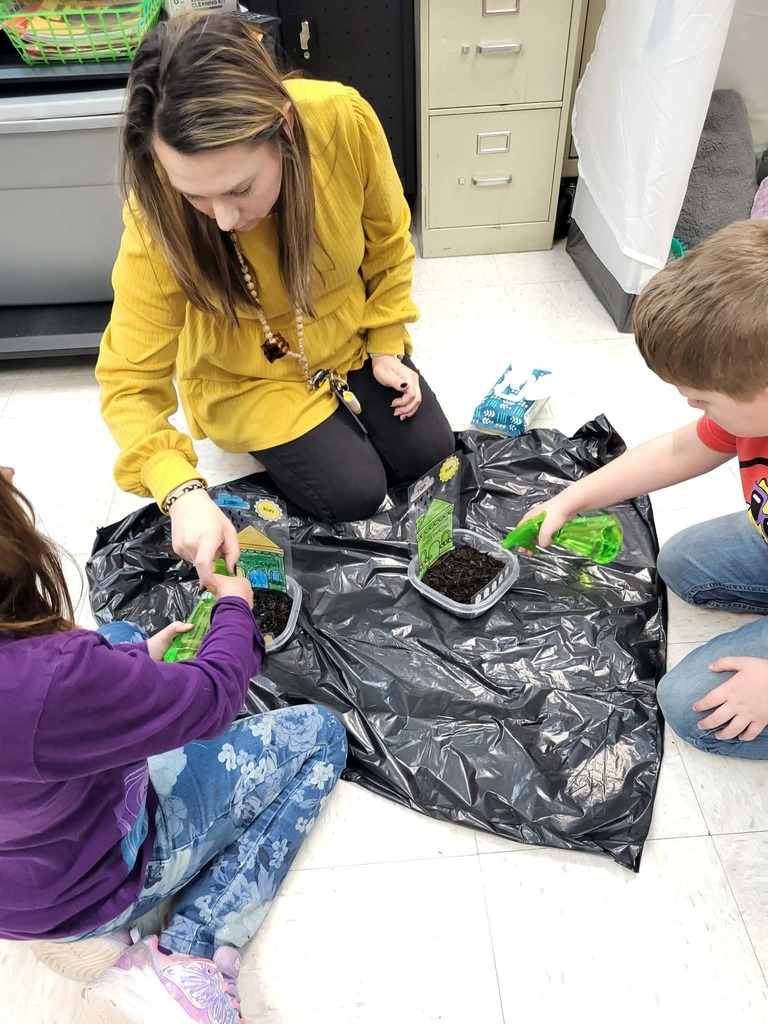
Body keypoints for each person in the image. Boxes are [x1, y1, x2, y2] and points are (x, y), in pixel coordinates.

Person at [97, 12, 454, 587]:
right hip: (250, 377)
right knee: (354, 491)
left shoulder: (340, 119)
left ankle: (345, 403)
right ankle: (303, 432)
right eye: (195, 195)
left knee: (428, 453)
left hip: (345, 341)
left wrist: (386, 342)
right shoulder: (156, 214)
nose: (225, 219)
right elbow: (129, 381)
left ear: (284, 125)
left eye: (240, 188)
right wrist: (179, 488)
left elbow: (389, 240)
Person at [0, 467, 347, 1024]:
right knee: (321, 735)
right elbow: (213, 699)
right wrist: (236, 607)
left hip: (17, 878)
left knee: (122, 639)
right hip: (85, 887)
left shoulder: (47, 678)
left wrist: (124, 673)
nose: (11, 472)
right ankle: (196, 946)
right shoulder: (42, 680)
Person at [516, 219, 768, 758]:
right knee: (680, 563)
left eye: (702, 400)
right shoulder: (755, 408)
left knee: (693, 707)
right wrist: (572, 497)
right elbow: (680, 450)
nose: (692, 407)